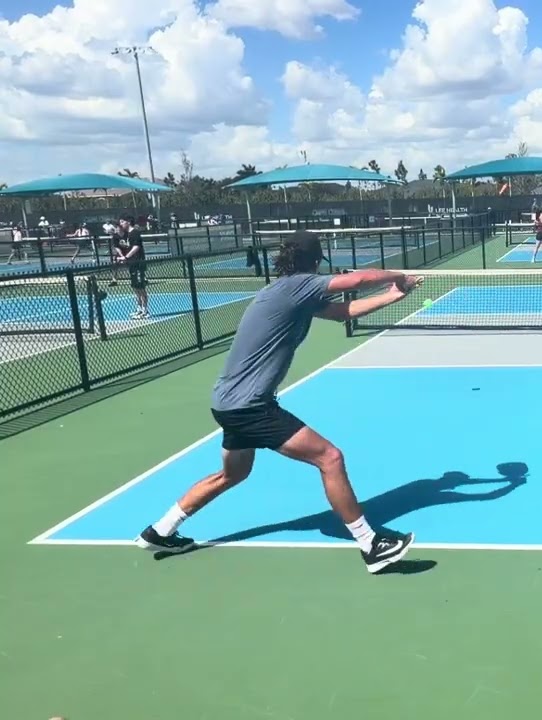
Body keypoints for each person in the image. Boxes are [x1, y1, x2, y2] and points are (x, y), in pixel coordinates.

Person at [134, 230, 425, 574]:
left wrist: (394, 293)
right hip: (250, 407)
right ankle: (371, 545)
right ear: (316, 263)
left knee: (233, 474)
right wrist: (399, 273)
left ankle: (160, 530)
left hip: (228, 403)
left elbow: (343, 311)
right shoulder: (296, 286)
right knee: (330, 458)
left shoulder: (292, 293)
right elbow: (359, 280)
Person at [116, 216, 149, 319]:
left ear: (128, 222)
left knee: (140, 287)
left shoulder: (135, 233)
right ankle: (139, 308)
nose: (121, 224)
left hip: (138, 263)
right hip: (132, 264)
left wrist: (126, 257)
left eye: (122, 221)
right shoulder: (127, 234)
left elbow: (136, 247)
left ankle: (145, 310)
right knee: (135, 287)